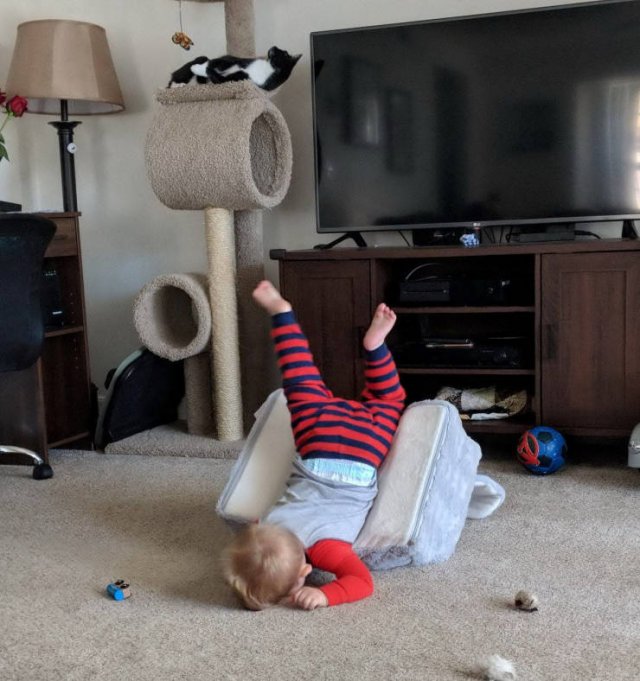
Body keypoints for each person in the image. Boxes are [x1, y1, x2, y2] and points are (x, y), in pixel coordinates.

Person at [223, 280, 406, 610]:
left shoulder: (327, 550)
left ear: (305, 572)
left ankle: (376, 346)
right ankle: (282, 314)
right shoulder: (264, 527)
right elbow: (253, 544)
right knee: (299, 377)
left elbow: (362, 583)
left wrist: (326, 594)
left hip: (363, 451)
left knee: (389, 399)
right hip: (317, 442)